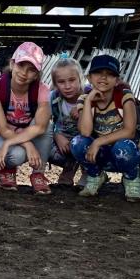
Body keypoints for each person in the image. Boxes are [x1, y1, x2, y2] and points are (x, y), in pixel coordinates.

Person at [71, 54, 140, 201]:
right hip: (100, 153)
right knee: (77, 143)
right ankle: (95, 175)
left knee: (123, 146)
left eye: (110, 74)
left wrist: (98, 141)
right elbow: (85, 131)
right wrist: (89, 101)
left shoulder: (124, 97)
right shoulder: (85, 99)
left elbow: (130, 131)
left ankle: (131, 178)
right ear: (89, 77)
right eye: (98, 73)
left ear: (117, 80)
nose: (103, 77)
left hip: (126, 152)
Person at [0, 42, 54, 194]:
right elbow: (3, 129)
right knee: (16, 156)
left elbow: (40, 127)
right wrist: (28, 145)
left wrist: (12, 142)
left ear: (36, 74)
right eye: (21, 65)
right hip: (3, 133)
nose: (24, 73)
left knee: (48, 126)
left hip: (26, 131)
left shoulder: (42, 90)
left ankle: (38, 174)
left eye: (31, 70)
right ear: (12, 64)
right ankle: (7, 170)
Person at [48, 57, 87, 187]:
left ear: (80, 78)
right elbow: (44, 122)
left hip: (86, 140)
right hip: (64, 139)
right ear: (55, 84)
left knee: (82, 144)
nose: (67, 86)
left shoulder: (90, 95)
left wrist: (83, 108)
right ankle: (69, 167)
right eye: (61, 82)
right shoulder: (52, 98)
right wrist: (56, 135)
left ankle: (90, 172)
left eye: (72, 80)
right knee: (45, 145)